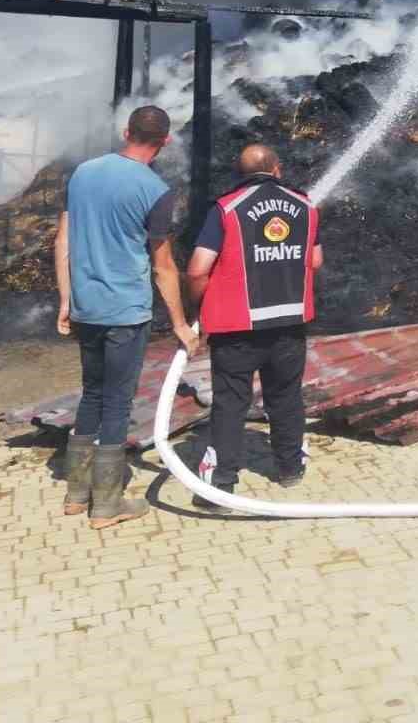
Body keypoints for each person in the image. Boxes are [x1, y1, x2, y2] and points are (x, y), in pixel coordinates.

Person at [55, 104, 199, 529]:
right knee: (117, 401)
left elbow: (62, 239)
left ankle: (76, 494)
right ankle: (107, 506)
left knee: (92, 394)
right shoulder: (156, 191)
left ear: (126, 132)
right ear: (165, 141)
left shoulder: (82, 173)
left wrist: (66, 298)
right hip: (125, 311)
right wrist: (179, 325)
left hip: (86, 305)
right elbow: (164, 266)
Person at [185, 143, 323, 512]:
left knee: (231, 403)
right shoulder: (305, 206)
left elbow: (198, 268)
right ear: (277, 169)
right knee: (286, 396)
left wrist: (198, 310)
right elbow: (315, 259)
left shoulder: (225, 208)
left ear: (240, 173)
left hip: (237, 327)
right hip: (290, 323)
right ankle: (290, 468)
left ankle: (221, 486)